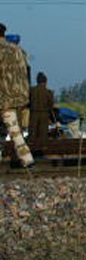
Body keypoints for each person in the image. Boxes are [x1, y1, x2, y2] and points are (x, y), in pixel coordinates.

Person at [0, 23, 34, 168]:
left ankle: (26, 159)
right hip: (21, 98)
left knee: (11, 130)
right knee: (15, 130)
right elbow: (27, 72)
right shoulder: (19, 50)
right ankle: (26, 160)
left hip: (3, 97)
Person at [28, 72, 54, 141]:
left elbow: (28, 102)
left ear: (37, 81)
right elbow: (51, 106)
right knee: (43, 136)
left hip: (33, 114)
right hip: (44, 115)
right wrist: (52, 119)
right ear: (45, 82)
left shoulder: (31, 91)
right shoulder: (48, 92)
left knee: (32, 135)